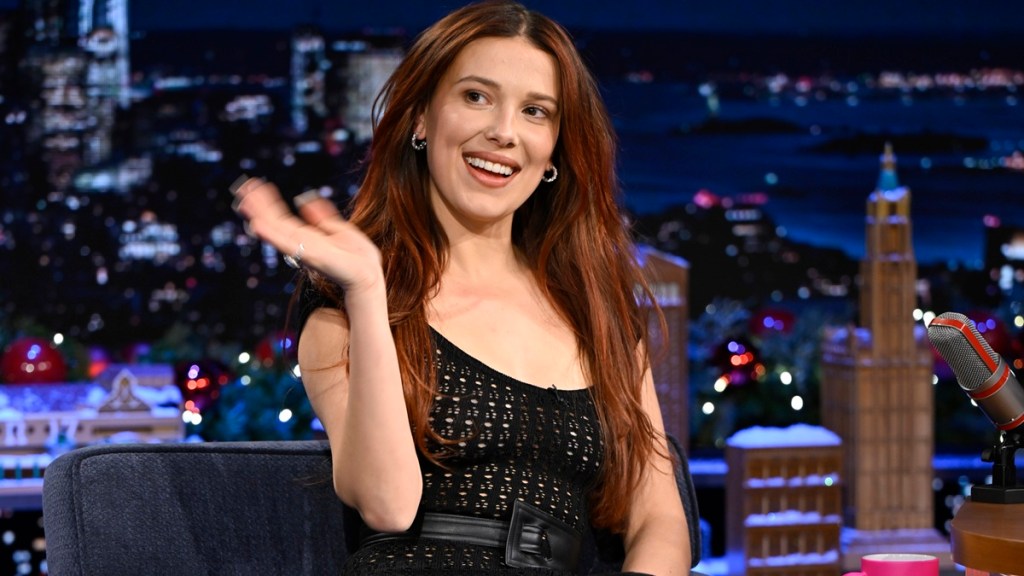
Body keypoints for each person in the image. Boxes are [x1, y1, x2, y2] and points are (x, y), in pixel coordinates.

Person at [232, 1, 691, 573]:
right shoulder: (343, 308)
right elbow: (387, 504)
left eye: (535, 111)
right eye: (476, 97)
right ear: (421, 119)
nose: (503, 132)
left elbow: (659, 522)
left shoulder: (600, 315)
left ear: (555, 148)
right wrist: (369, 290)